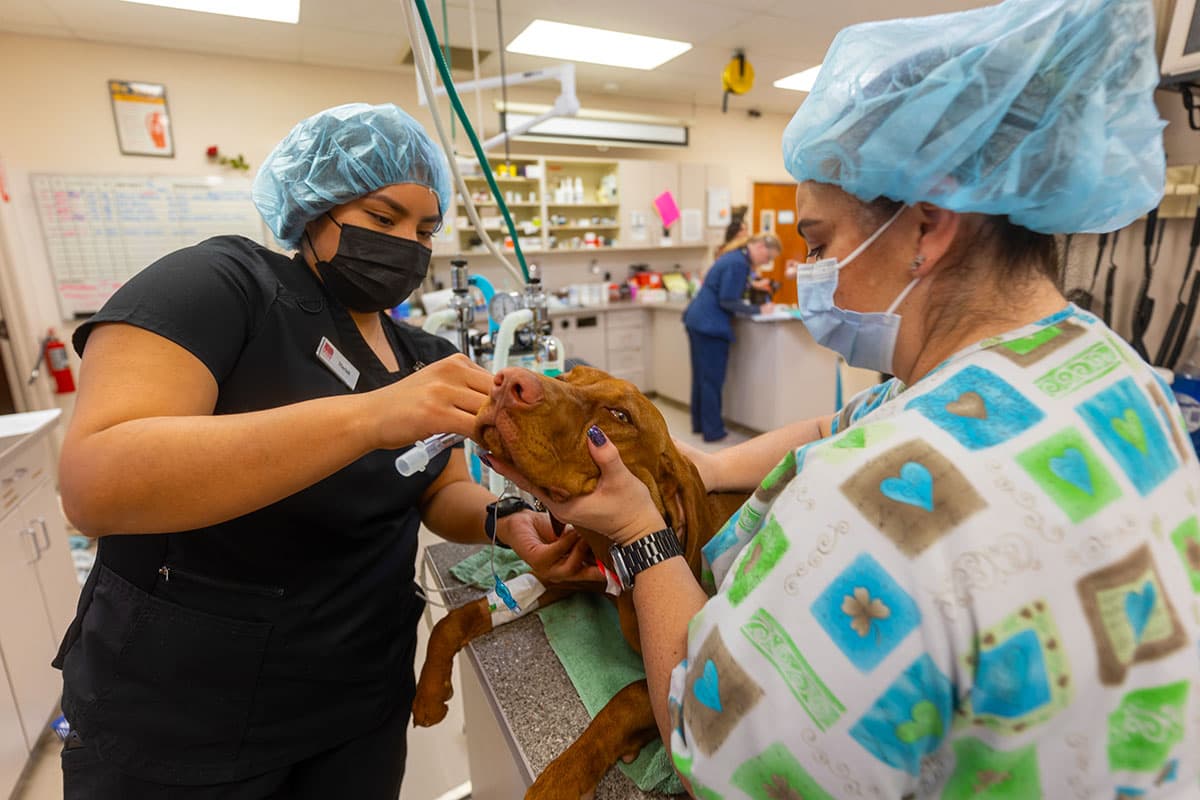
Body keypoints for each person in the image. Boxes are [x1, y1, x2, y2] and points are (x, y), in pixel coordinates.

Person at [489, 0, 1200, 796]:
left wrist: (639, 532)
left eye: (821, 243)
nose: (810, 274)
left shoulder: (882, 506)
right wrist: (703, 461)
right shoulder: (1113, 373)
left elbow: (708, 745)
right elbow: (839, 420)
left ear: (927, 229)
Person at [52, 102, 599, 799]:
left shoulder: (421, 354)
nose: (409, 243)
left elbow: (433, 488)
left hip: (355, 700)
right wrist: (370, 416)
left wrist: (505, 519)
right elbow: (96, 483)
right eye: (382, 218)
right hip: (181, 711)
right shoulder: (221, 286)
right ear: (314, 207)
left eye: (425, 229)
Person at [683, 232, 779, 442]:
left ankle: (700, 424)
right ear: (761, 247)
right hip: (710, 325)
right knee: (711, 380)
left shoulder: (733, 257)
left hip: (698, 320)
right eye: (768, 258)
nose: (766, 263)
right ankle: (713, 431)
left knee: (702, 378)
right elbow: (727, 299)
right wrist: (758, 310)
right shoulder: (738, 263)